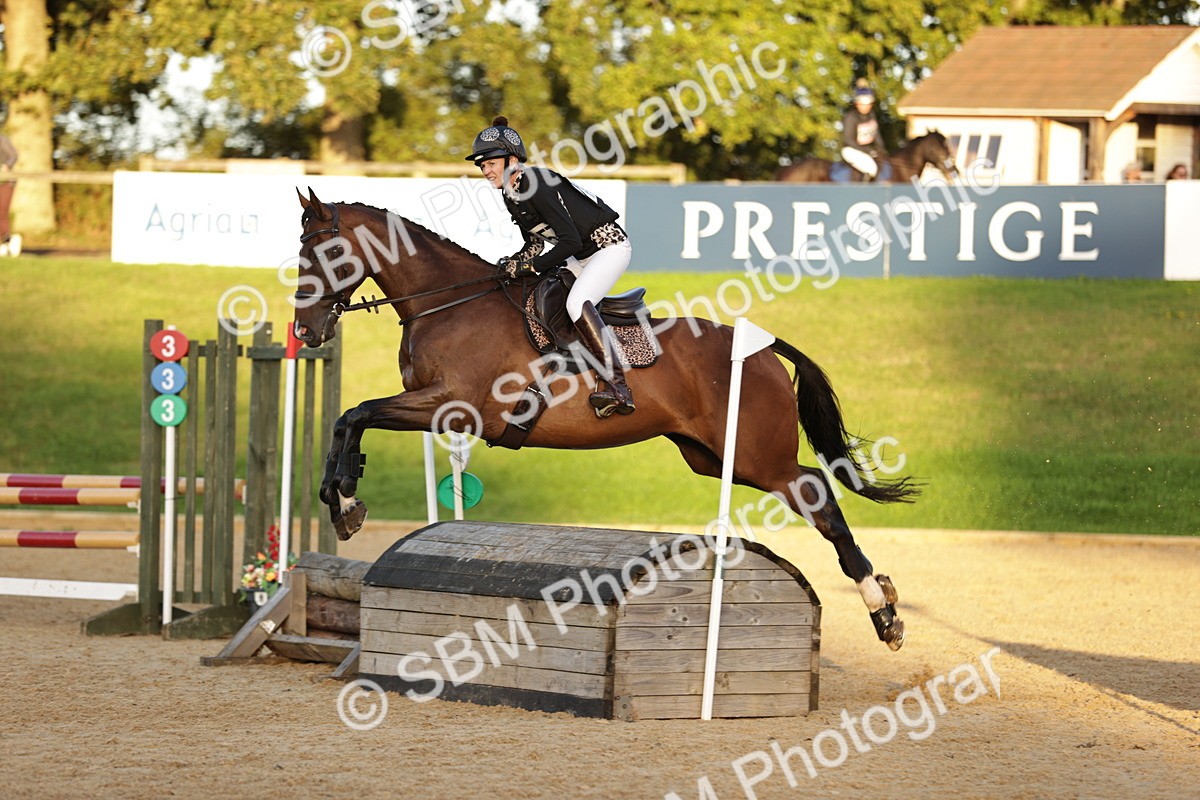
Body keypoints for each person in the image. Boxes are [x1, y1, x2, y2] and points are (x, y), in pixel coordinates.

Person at [466, 115, 635, 418]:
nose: (485, 171)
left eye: (490, 163)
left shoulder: (536, 184)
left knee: (576, 303)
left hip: (608, 249)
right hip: (582, 255)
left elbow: (568, 242)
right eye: (482, 166)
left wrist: (528, 268)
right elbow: (535, 244)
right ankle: (570, 357)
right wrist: (513, 264)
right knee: (542, 292)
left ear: (512, 159)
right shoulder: (511, 192)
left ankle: (618, 387)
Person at [842, 80, 882, 182]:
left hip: (867, 150)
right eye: (863, 104)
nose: (866, 107)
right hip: (851, 150)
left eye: (868, 104)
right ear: (857, 103)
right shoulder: (851, 117)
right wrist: (868, 151)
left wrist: (881, 150)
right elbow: (848, 140)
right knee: (871, 167)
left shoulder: (871, 115)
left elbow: (876, 135)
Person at [0, 133, 17, 254]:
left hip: (5, 182)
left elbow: (13, 155)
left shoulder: (2, 140)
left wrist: (5, 167)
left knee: (2, 212)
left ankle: (7, 240)